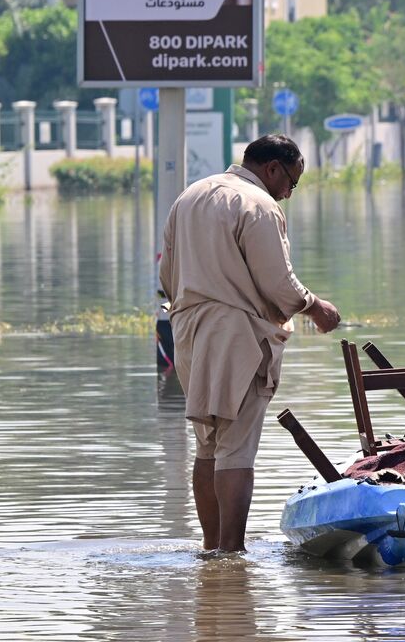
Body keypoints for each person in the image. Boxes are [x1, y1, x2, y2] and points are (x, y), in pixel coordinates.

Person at [159, 134, 341, 553]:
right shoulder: (258, 205)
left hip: (189, 332)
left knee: (208, 445)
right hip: (236, 334)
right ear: (273, 168)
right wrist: (315, 308)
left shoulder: (189, 197)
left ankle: (211, 549)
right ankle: (232, 552)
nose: (290, 192)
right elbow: (278, 283)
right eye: (291, 181)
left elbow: (167, 274)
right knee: (237, 446)